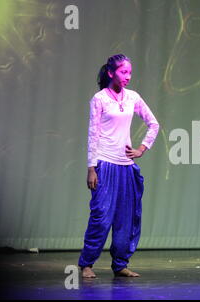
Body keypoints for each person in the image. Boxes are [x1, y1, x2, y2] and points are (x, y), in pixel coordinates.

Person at [78, 54, 159, 278]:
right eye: (124, 72)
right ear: (111, 73)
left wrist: (142, 148)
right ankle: (87, 263)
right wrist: (91, 168)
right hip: (105, 164)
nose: (128, 77)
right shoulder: (99, 99)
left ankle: (120, 264)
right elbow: (93, 134)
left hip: (126, 167)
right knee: (101, 217)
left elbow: (154, 123)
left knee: (127, 219)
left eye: (130, 73)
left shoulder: (133, 97)